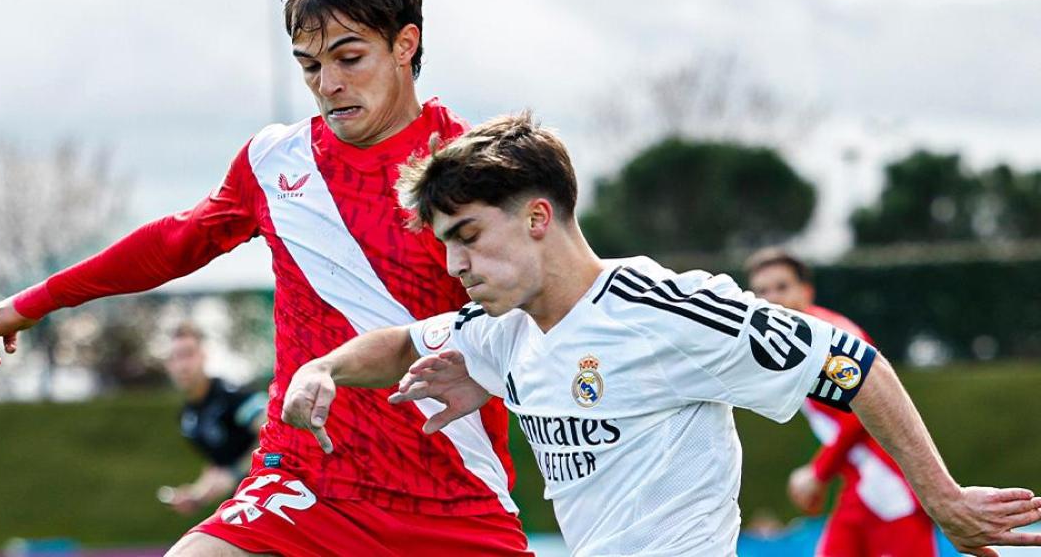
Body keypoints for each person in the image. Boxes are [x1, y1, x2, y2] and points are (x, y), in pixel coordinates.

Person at [0, 0, 529, 555]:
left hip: (450, 497)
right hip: (304, 486)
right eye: (310, 65)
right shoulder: (276, 163)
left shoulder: (468, 167)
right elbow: (174, 243)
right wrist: (32, 302)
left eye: (349, 58)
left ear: (405, 44)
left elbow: (540, 311)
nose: (328, 83)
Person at [282, 112, 1041, 557]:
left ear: (538, 217)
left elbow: (850, 362)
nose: (454, 263)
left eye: (469, 236)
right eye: (445, 243)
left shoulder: (666, 311)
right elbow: (403, 344)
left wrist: (939, 496)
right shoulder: (502, 330)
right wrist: (322, 368)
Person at [746, 248, 937, 556]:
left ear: (806, 291)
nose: (772, 300)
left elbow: (865, 412)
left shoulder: (833, 339)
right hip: (862, 487)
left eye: (782, 287)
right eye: (762, 291)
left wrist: (818, 472)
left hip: (892, 485)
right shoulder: (795, 343)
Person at [159, 322, 267, 516]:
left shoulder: (232, 396)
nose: (183, 365)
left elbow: (274, 432)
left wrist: (235, 472)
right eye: (175, 357)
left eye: (188, 354)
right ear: (168, 365)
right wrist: (195, 496)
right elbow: (219, 466)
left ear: (203, 355)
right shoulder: (188, 418)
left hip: (273, 496)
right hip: (244, 508)